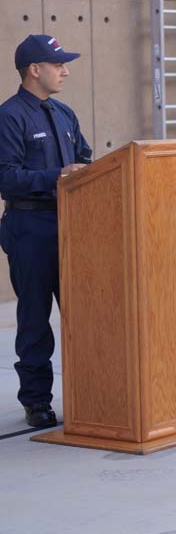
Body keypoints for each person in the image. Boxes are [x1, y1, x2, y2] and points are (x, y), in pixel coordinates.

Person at [0, 35, 91, 428]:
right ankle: (36, 401)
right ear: (34, 70)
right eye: (58, 64)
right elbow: (6, 179)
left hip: (72, 226)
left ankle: (92, 392)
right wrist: (58, 175)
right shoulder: (9, 116)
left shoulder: (65, 113)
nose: (65, 70)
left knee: (85, 315)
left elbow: (85, 159)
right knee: (36, 319)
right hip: (30, 228)